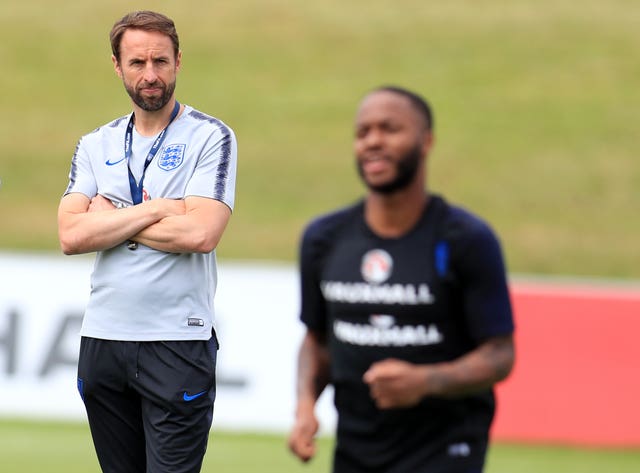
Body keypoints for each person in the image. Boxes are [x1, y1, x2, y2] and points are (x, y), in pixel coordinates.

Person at [288, 86, 515, 473]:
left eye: (390, 129)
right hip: (356, 452)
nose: (373, 141)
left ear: (426, 141)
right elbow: (317, 341)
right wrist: (306, 405)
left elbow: (500, 354)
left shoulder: (466, 239)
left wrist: (425, 381)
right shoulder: (323, 239)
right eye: (363, 133)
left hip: (445, 450)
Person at [57, 10, 237, 473]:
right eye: (137, 62)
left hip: (176, 341)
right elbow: (71, 234)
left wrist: (114, 219)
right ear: (117, 66)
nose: (150, 74)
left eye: (160, 60)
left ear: (179, 61)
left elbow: (200, 233)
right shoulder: (95, 143)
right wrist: (158, 208)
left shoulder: (210, 136)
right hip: (104, 340)